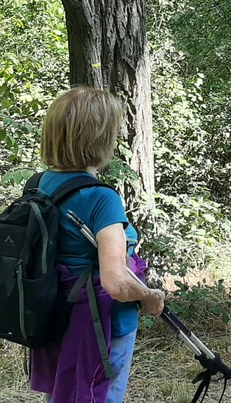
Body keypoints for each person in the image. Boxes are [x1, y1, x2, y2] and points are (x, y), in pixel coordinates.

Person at [29, 86, 165, 402]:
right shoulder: (101, 198)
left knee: (62, 394)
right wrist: (149, 296)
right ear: (99, 137)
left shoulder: (38, 185)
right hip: (100, 325)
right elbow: (116, 281)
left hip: (53, 316)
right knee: (98, 394)